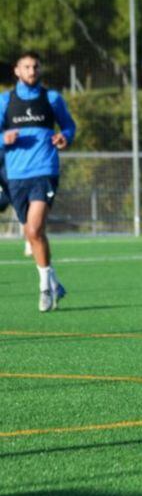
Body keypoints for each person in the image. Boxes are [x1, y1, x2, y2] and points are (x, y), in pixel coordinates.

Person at [1, 51, 74, 312]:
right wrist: (4, 139)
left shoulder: (52, 98)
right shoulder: (5, 101)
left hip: (44, 170)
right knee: (33, 235)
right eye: (27, 67)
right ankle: (54, 283)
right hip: (16, 176)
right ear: (17, 71)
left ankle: (44, 288)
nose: (32, 71)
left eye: (35, 66)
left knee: (33, 230)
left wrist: (65, 137)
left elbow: (69, 127)